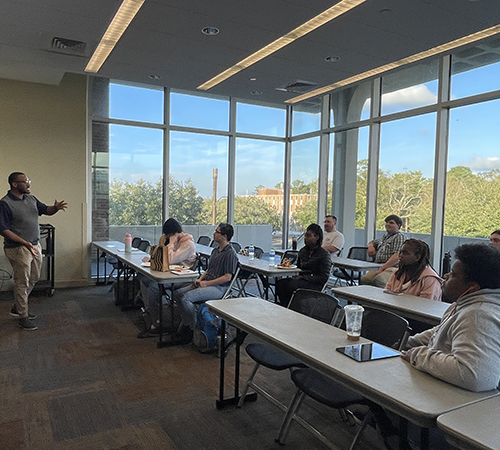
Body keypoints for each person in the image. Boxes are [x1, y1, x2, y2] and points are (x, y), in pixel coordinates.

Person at [401, 243, 500, 392]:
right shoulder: (463, 305)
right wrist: (403, 343)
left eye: (453, 274)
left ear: (472, 287)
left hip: (460, 404)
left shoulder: (478, 316)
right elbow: (439, 333)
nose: (446, 276)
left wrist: (417, 354)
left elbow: (474, 376)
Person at [0, 172, 67, 330]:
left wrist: (56, 208)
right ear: (15, 184)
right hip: (18, 248)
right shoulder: (5, 204)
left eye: (28, 180)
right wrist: (24, 242)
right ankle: (22, 316)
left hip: (34, 246)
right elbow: (3, 230)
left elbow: (46, 210)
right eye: (25, 181)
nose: (29, 184)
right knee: (22, 282)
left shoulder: (31, 199)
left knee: (34, 278)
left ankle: (18, 306)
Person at [174, 222, 238, 342]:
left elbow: (227, 277)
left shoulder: (230, 253)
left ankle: (193, 328)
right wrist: (200, 279)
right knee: (178, 294)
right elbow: (209, 269)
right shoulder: (215, 251)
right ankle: (189, 324)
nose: (214, 234)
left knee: (185, 298)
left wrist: (206, 283)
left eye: (217, 232)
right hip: (207, 283)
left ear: (224, 236)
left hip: (219, 288)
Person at [137, 218, 197, 338]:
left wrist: (171, 243)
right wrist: (161, 246)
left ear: (176, 232)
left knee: (155, 286)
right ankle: (151, 313)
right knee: (143, 279)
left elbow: (169, 259)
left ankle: (156, 322)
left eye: (169, 235)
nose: (168, 237)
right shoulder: (169, 240)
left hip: (181, 278)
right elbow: (158, 256)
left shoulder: (188, 244)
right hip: (169, 274)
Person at [275, 223, 332, 307]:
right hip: (302, 279)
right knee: (280, 284)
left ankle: (291, 307)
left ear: (316, 237)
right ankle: (287, 306)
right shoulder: (303, 251)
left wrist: (303, 277)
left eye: (308, 236)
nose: (305, 239)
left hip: (314, 283)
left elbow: (323, 277)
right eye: (305, 236)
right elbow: (298, 267)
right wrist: (289, 265)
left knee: (290, 286)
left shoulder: (324, 254)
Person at [360, 214, 405, 288]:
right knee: (365, 280)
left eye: (391, 223)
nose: (387, 224)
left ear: (399, 226)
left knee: (379, 280)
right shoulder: (385, 237)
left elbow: (396, 257)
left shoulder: (399, 237)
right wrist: (371, 246)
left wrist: (383, 268)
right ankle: (367, 299)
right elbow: (372, 242)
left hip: (391, 267)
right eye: (386, 222)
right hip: (378, 265)